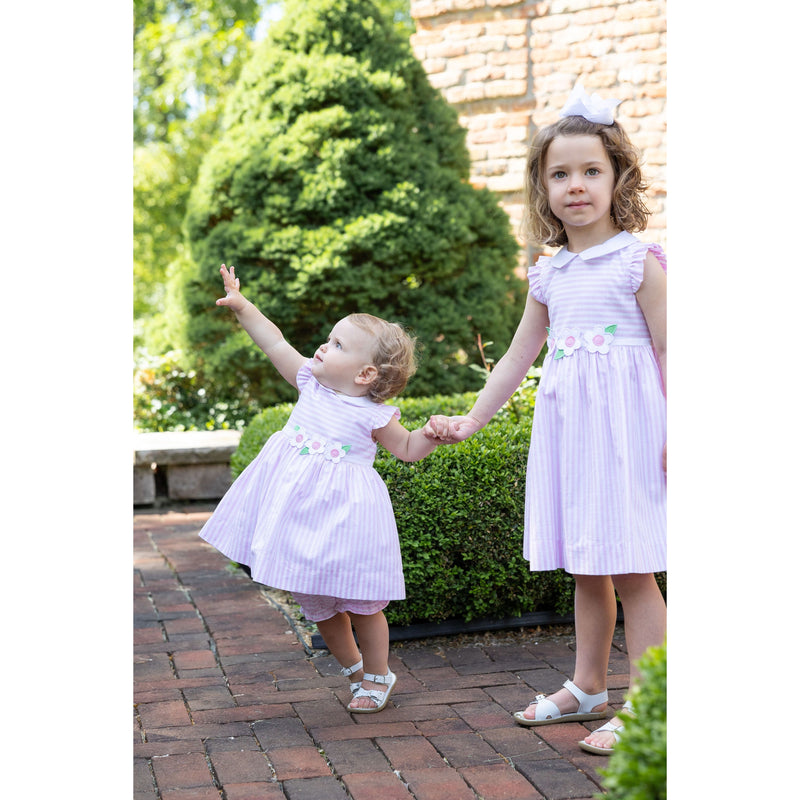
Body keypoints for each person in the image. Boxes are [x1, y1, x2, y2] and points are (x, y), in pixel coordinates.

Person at [424, 82, 667, 755]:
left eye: (591, 170)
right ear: (543, 187)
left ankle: (653, 708)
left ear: (619, 177)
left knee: (634, 568)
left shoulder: (638, 262)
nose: (576, 185)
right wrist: (471, 421)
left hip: (629, 436)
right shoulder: (549, 274)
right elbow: (513, 358)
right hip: (573, 436)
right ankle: (589, 685)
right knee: (588, 566)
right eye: (560, 173)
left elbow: (676, 348)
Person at [199, 264, 439, 713]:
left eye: (338, 344)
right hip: (300, 518)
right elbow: (275, 341)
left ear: (365, 374)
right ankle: (351, 669)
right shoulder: (309, 383)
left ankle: (377, 672)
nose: (323, 346)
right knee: (317, 601)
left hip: (345, 519)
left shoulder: (372, 413)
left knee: (362, 602)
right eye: (329, 339)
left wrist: (433, 434)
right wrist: (242, 305)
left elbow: (406, 448)